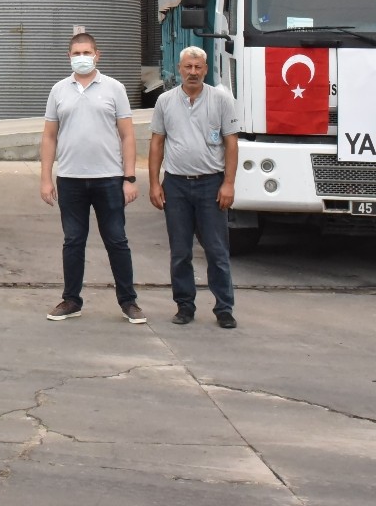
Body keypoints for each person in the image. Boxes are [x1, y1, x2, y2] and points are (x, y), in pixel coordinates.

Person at [39, 32, 144, 324]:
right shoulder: (58, 90)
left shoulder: (114, 88)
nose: (82, 58)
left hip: (108, 179)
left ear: (98, 55)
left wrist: (129, 178)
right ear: (68, 57)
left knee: (117, 240)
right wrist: (46, 178)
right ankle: (71, 300)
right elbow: (49, 137)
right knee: (73, 241)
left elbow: (127, 135)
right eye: (76, 53)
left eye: (87, 52)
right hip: (70, 179)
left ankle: (129, 301)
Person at [149, 46, 240, 329]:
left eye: (198, 67)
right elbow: (157, 143)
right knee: (180, 252)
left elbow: (231, 143)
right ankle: (184, 306)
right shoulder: (165, 101)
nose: (193, 72)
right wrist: (154, 183)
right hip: (176, 185)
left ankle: (224, 308)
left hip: (210, 184)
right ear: (179, 69)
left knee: (216, 250)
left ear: (205, 69)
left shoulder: (221, 100)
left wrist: (228, 183)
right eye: (188, 67)